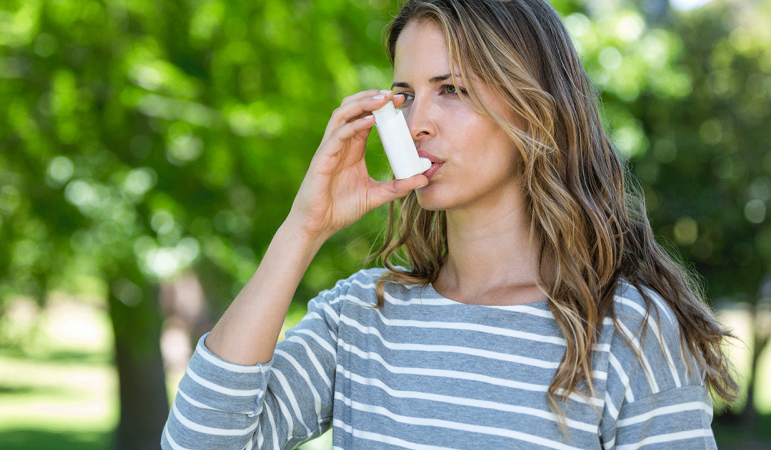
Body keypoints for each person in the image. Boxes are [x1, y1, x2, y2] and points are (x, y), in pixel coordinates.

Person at [162, 0, 738, 448]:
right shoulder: (361, 317)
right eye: (405, 95)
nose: (417, 122)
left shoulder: (627, 332)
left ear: (538, 106)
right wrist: (303, 227)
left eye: (452, 90)